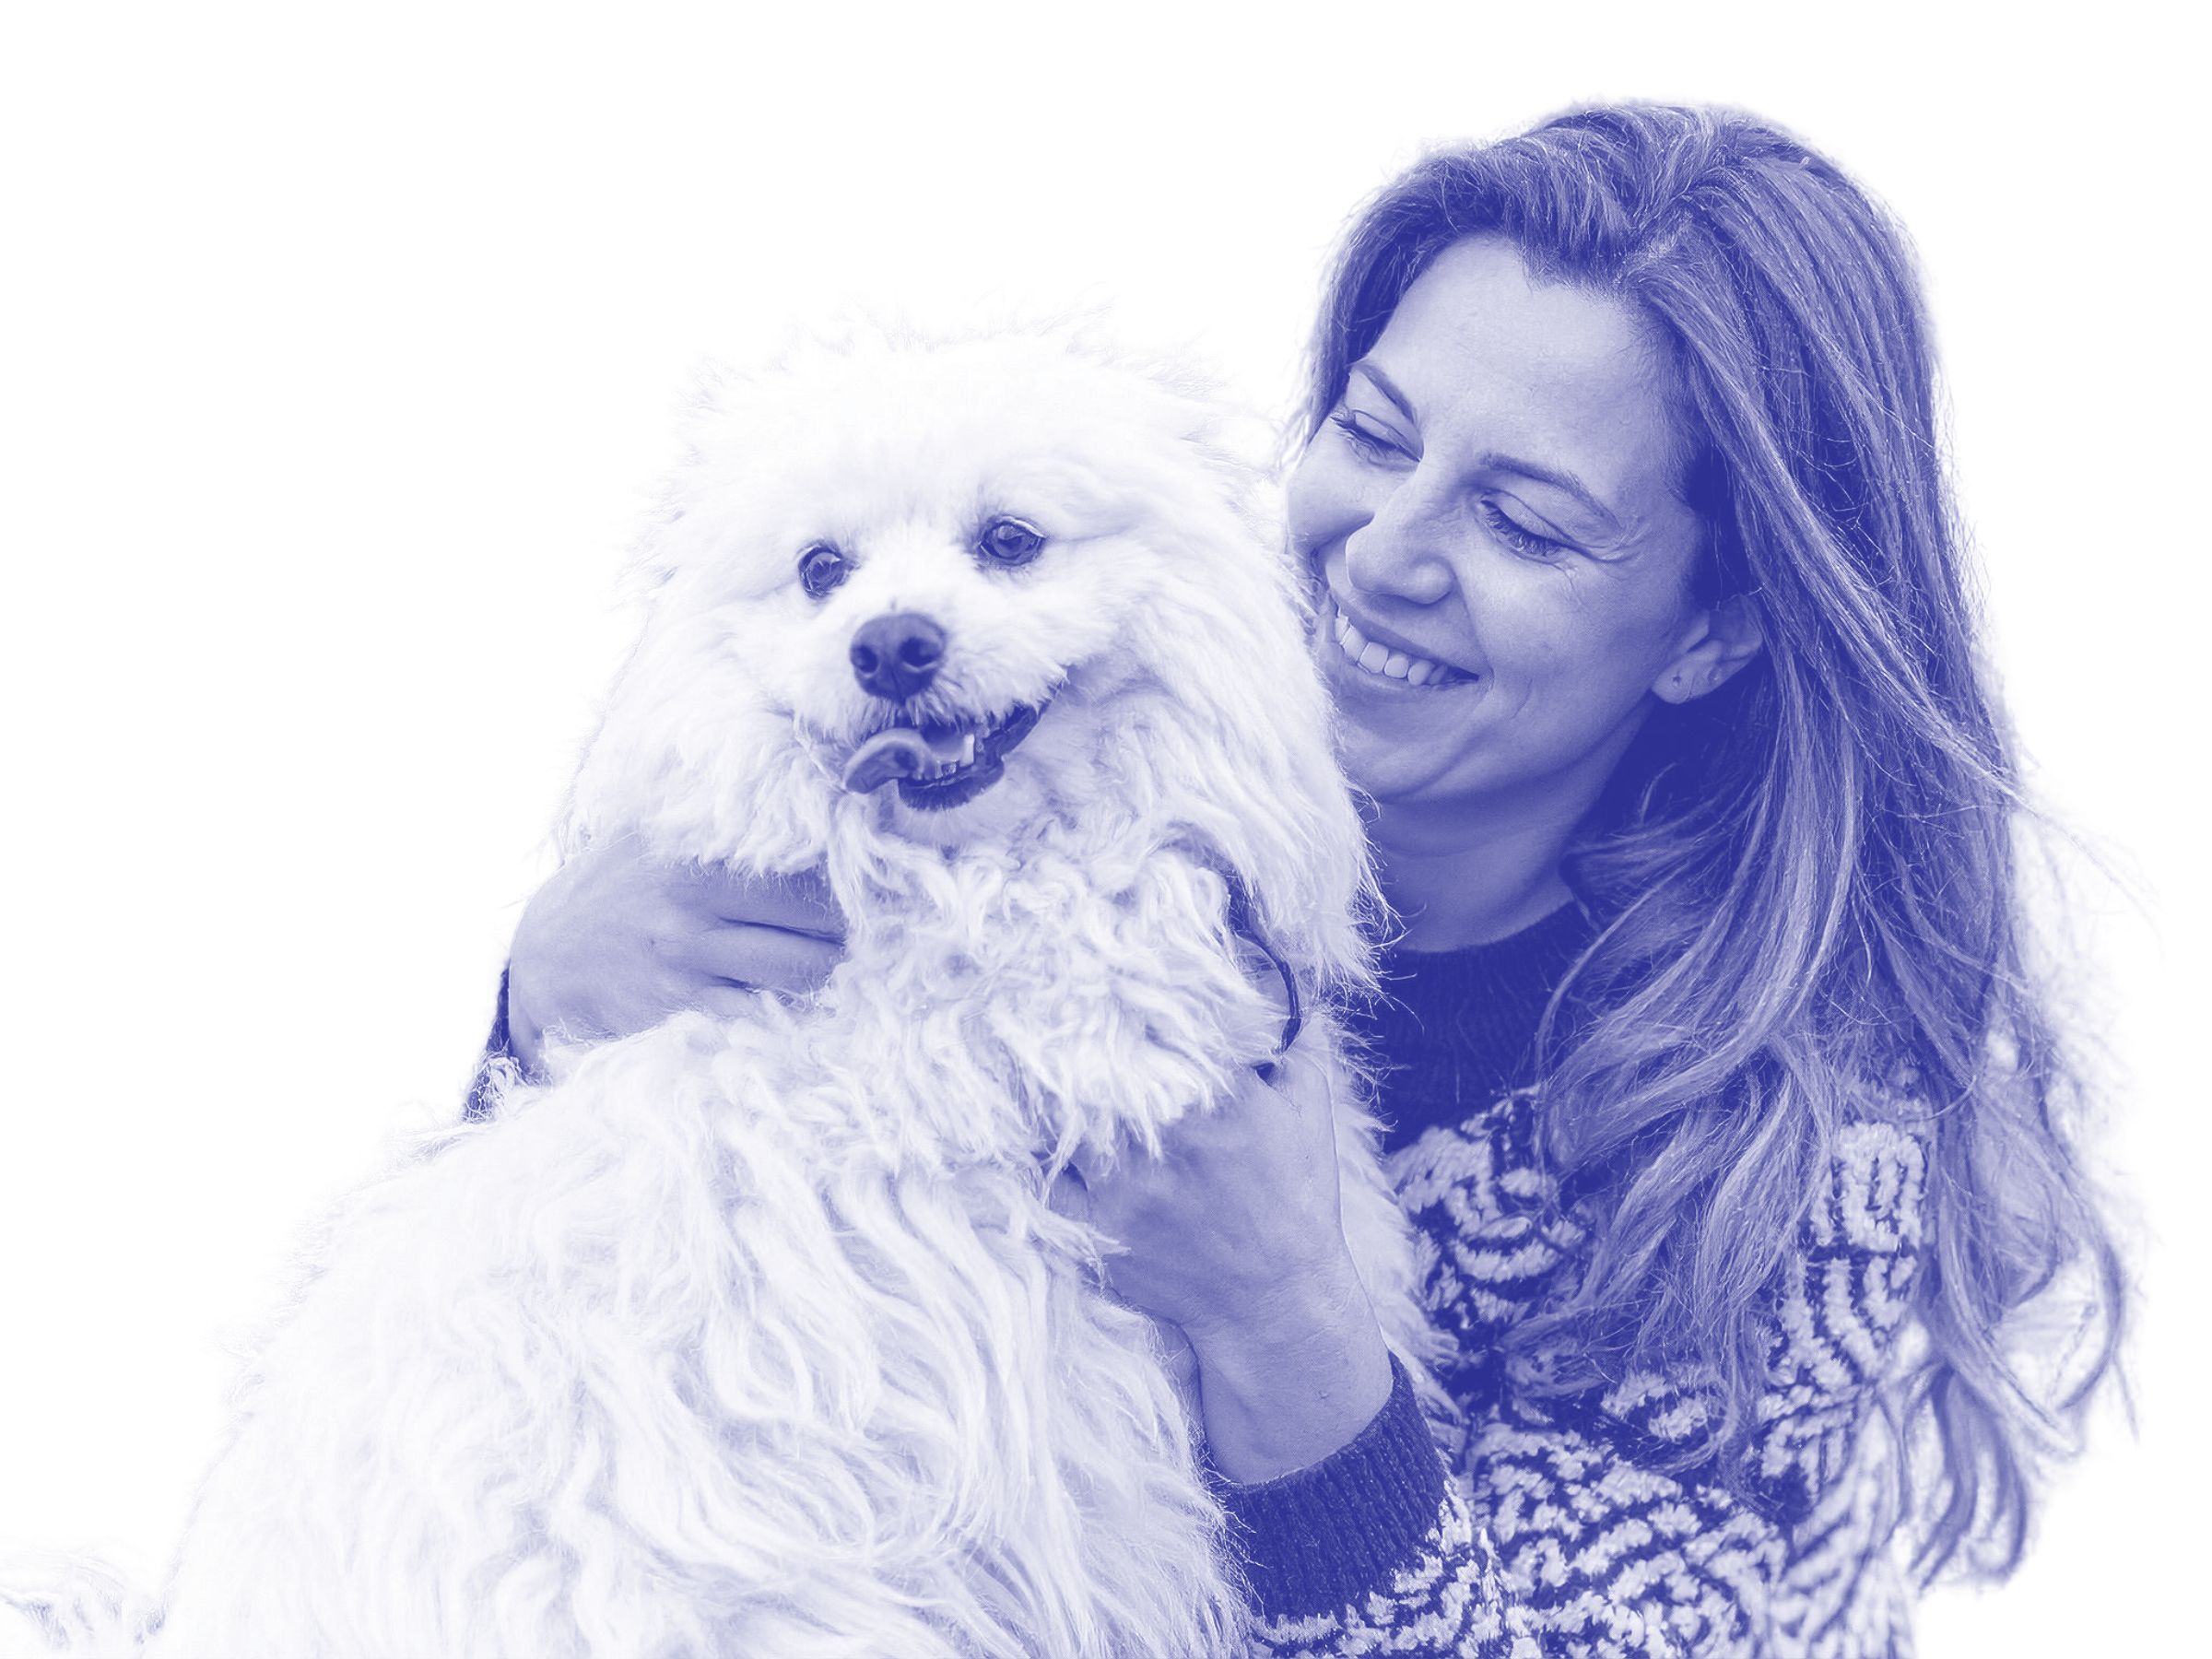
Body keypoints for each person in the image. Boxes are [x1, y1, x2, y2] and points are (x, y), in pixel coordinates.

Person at [470, 94, 2160, 1657]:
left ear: (1714, 633)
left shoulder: (1786, 1153)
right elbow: (620, 1392)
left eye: (1527, 523)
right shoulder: (965, 802)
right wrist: (544, 1023)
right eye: (1375, 431)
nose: (1384, 551)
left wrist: (1288, 1320)